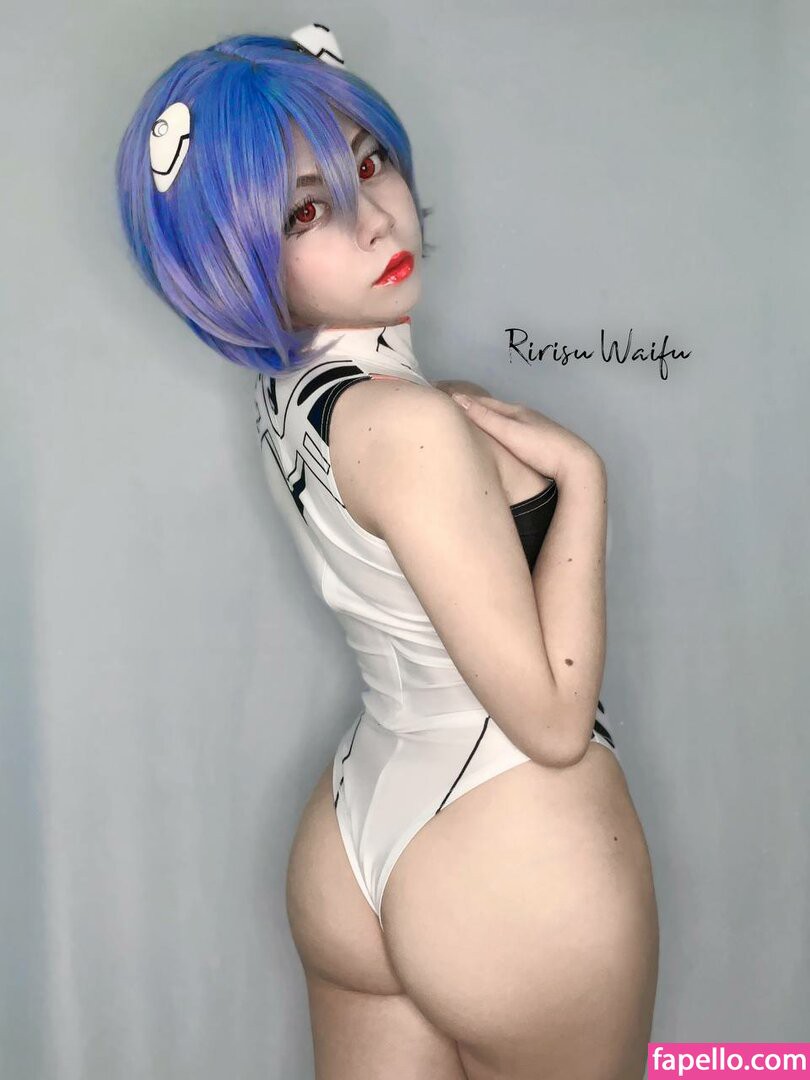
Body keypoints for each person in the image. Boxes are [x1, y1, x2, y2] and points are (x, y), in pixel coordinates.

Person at [116, 26, 659, 1079]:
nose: (375, 218)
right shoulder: (407, 426)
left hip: (355, 836)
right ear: (229, 256)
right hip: (509, 860)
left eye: (370, 163)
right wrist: (586, 481)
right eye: (306, 211)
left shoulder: (294, 396)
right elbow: (551, 723)